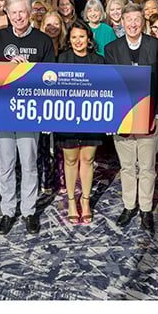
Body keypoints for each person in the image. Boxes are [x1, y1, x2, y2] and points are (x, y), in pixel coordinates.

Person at [0, 0, 56, 235]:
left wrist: (28, 70)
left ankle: (28, 211)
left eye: (22, 12)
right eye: (13, 12)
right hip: (3, 111)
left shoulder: (42, 40)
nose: (18, 16)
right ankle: (8, 210)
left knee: (28, 163)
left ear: (29, 14)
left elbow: (51, 76)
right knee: (6, 164)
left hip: (30, 112)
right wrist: (7, 69)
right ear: (7, 14)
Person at [104, 3, 158, 233]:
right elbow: (109, 87)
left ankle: (145, 209)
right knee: (127, 166)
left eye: (136, 20)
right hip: (121, 119)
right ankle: (129, 206)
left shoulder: (157, 46)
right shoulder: (112, 48)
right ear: (121, 22)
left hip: (150, 119)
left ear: (143, 22)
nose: (132, 24)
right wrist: (110, 118)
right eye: (128, 20)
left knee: (147, 166)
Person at [56, 21, 105, 224]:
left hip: (91, 119)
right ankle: (70, 201)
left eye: (82, 37)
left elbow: (106, 90)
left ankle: (85, 201)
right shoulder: (62, 59)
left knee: (87, 160)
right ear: (69, 39)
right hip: (67, 120)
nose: (78, 41)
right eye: (74, 37)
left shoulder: (99, 61)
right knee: (70, 160)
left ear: (89, 39)